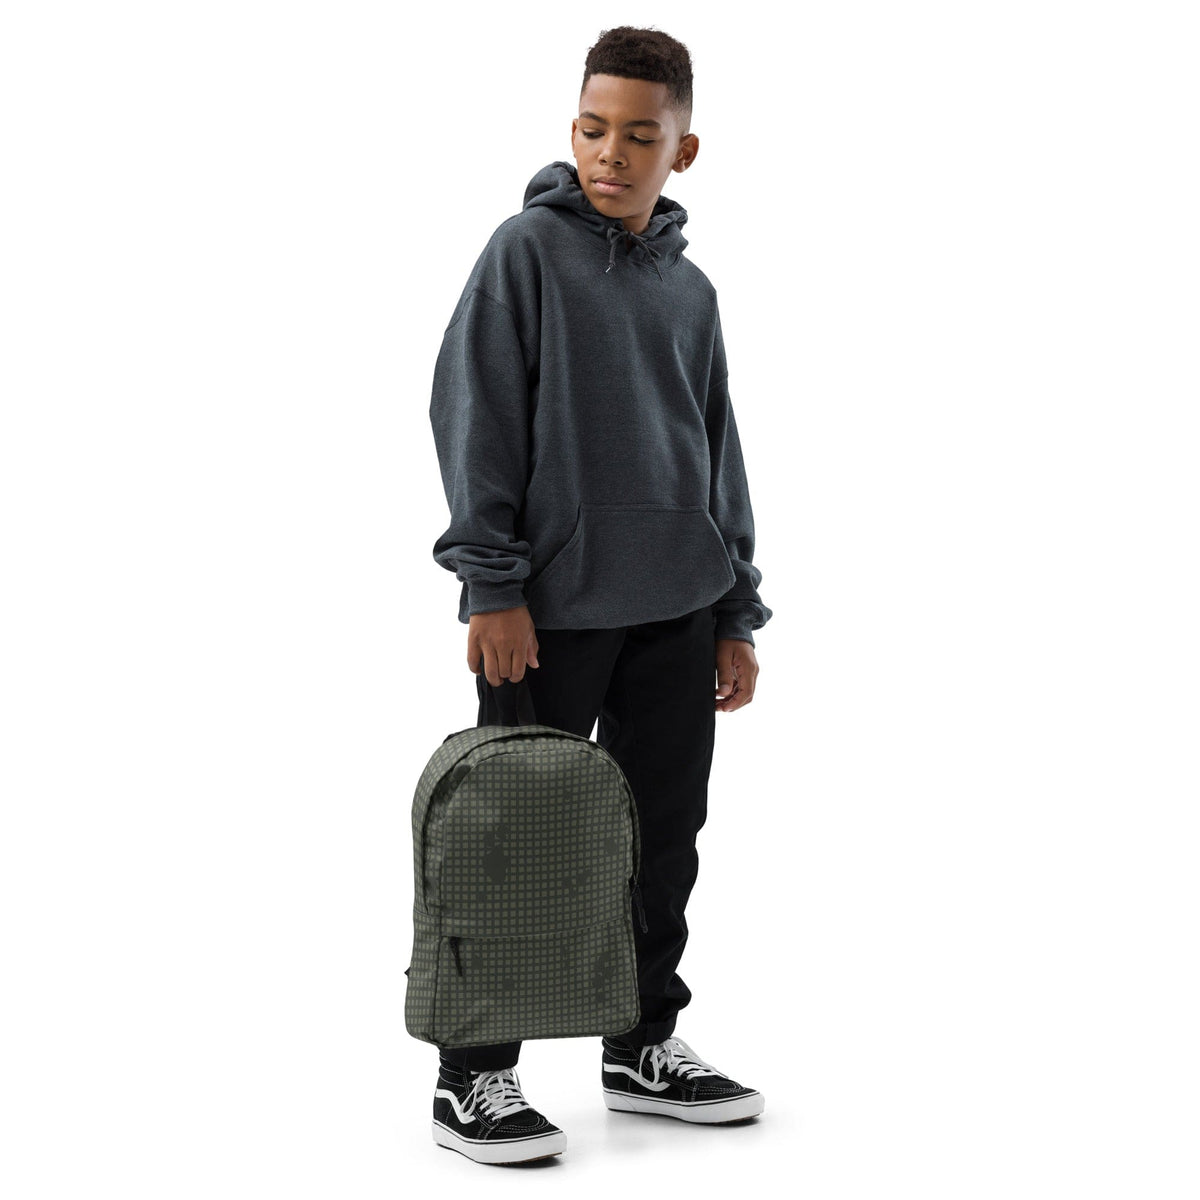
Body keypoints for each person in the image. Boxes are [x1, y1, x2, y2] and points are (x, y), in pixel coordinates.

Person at [425, 25, 773, 1164]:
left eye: (639, 136)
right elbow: (474, 414)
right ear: (571, 130)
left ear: (684, 150)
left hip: (677, 605)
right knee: (513, 840)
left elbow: (716, 452)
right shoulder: (525, 252)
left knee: (662, 838)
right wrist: (492, 584)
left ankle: (641, 1045)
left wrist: (733, 611)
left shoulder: (692, 291)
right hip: (549, 612)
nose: (611, 154)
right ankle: (474, 1074)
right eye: (592, 129)